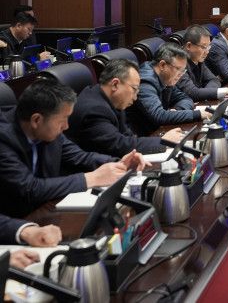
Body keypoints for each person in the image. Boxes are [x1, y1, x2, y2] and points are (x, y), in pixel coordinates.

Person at [0, 79, 148, 218]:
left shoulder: (47, 127)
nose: (66, 126)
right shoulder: (4, 139)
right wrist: (91, 178)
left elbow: (80, 157)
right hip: (15, 223)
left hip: (46, 210)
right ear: (36, 120)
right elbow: (30, 189)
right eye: (62, 120)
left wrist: (119, 163)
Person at [66, 59, 184, 157]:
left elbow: (128, 137)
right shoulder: (94, 109)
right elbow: (119, 145)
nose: (136, 97)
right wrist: (163, 141)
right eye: (134, 89)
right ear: (115, 84)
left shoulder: (111, 100)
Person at [126, 44, 211, 136]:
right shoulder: (145, 82)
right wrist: (199, 114)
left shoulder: (166, 78)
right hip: (143, 137)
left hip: (158, 130)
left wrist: (178, 110)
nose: (181, 74)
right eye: (178, 69)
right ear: (162, 65)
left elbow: (185, 98)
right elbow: (159, 116)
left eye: (183, 70)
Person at [177, 25, 228, 102]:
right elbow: (192, 92)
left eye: (208, 47)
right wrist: (225, 91)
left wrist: (205, 93)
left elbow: (214, 79)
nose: (207, 52)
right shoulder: (178, 63)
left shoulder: (198, 59)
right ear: (189, 46)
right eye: (203, 47)